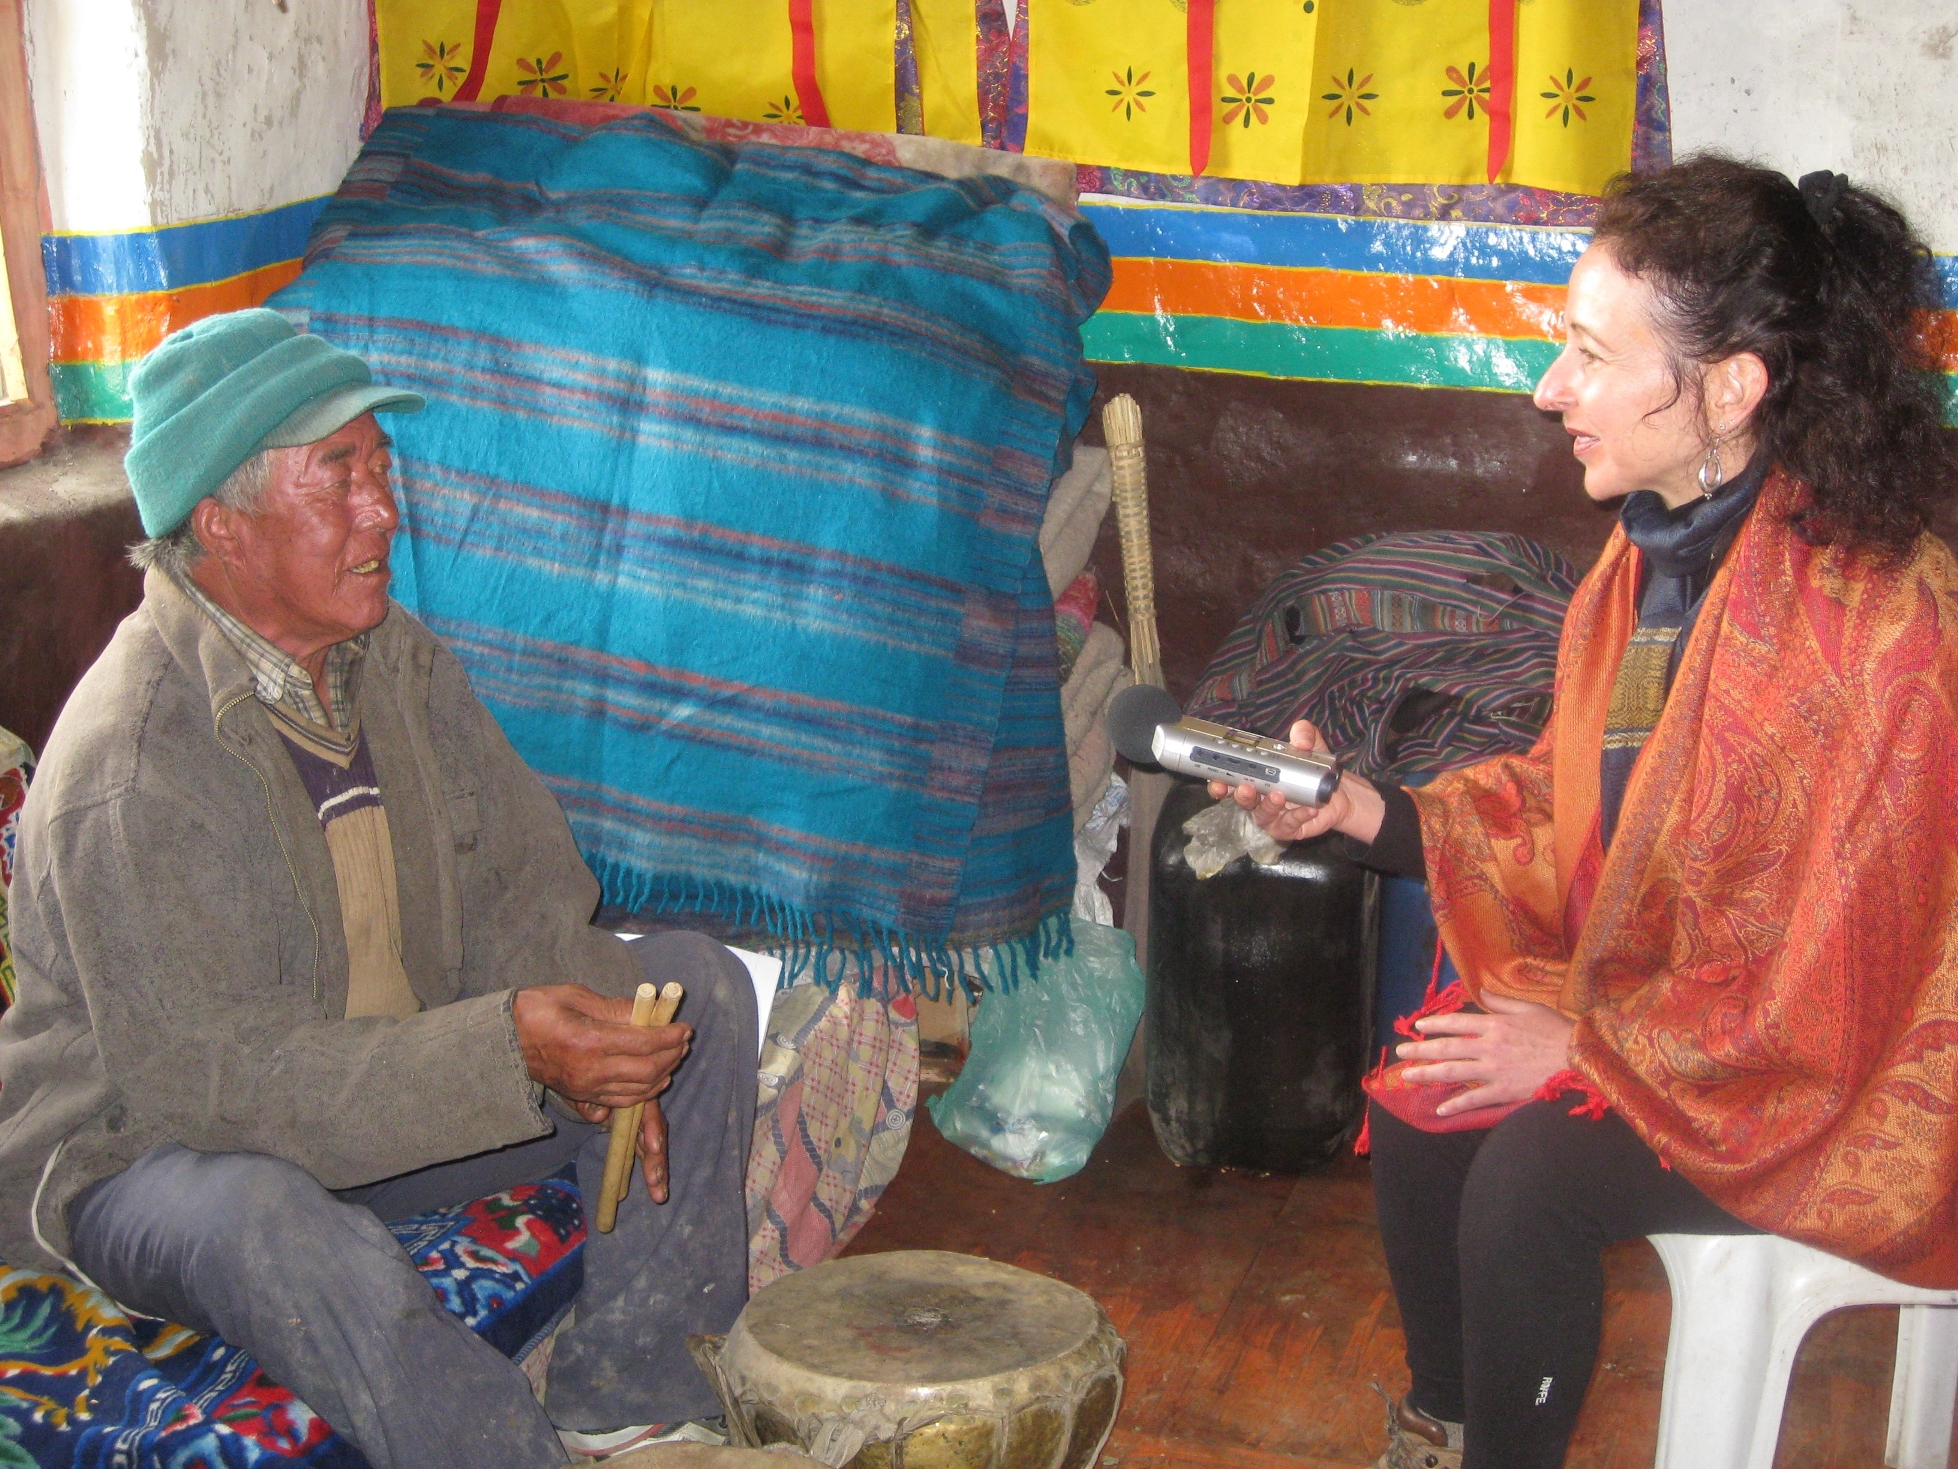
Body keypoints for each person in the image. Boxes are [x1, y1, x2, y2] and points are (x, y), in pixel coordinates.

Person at [1214, 157, 1958, 1469]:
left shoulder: (1874, 622)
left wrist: (1590, 1053)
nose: (1548, 388)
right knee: (1430, 1083)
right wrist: (1357, 812)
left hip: (1876, 1068)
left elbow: (1848, 982)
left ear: (1728, 388)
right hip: (1716, 1012)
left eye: (1588, 354)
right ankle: (1449, 1425)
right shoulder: (1661, 550)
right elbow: (1582, 801)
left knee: (1533, 1179)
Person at [0, 308, 759, 1469]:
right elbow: (217, 1083)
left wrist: (610, 1028)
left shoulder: (384, 654)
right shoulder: (136, 764)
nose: (384, 509)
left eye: (380, 467)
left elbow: (522, 884)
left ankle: (637, 1395)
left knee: (689, 989)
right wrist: (504, 1050)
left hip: (382, 1085)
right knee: (271, 1221)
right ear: (222, 524)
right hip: (149, 1150)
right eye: (338, 476)